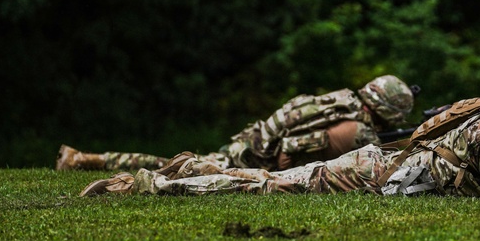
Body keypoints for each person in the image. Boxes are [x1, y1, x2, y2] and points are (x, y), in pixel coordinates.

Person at [79, 54, 480, 200]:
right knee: (267, 185)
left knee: (267, 182)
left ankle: (187, 170)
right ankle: (159, 183)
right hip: (368, 174)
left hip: (379, 166)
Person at [59, 75, 416, 173]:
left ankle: (85, 158)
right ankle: (84, 160)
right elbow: (292, 152)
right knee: (174, 167)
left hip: (252, 139)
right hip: (255, 159)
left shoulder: (343, 100)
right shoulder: (357, 129)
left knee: (177, 163)